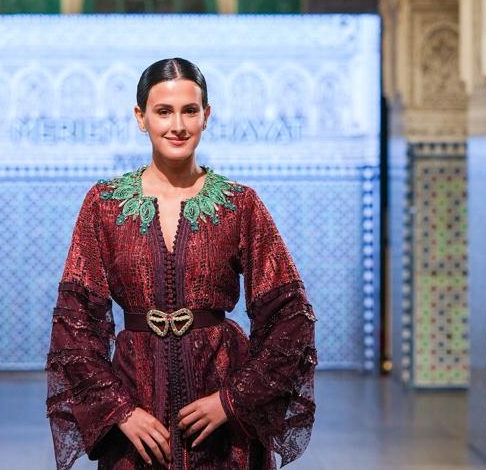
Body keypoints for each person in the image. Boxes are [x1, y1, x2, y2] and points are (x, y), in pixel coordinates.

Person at [45, 57, 317, 470]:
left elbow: (290, 316)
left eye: (190, 111)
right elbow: (75, 322)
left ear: (206, 115)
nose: (178, 125)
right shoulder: (104, 205)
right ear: (141, 117)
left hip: (222, 423)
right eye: (163, 111)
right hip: (136, 412)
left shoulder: (239, 204)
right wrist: (120, 411)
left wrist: (232, 400)